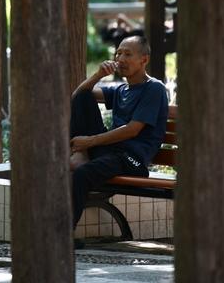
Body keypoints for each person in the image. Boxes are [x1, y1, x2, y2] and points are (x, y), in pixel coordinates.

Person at [70, 36, 168, 246]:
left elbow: (133, 130)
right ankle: (81, 156)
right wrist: (98, 75)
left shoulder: (154, 88)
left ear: (144, 60)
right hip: (111, 152)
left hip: (131, 159)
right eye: (118, 53)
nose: (121, 58)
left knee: (81, 175)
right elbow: (77, 96)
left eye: (128, 54)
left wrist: (90, 142)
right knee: (83, 97)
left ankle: (63, 236)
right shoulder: (120, 90)